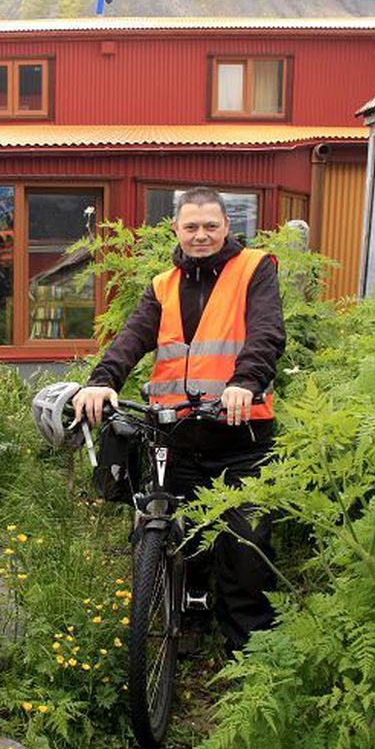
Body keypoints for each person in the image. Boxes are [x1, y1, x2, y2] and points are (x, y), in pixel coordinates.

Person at [72, 187, 286, 652]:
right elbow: (132, 336)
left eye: (211, 226)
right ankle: (184, 619)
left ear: (227, 227)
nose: (201, 235)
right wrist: (103, 379)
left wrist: (245, 382)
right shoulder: (163, 284)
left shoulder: (255, 269)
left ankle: (249, 657)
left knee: (244, 549)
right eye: (191, 227)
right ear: (177, 230)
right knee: (178, 537)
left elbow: (267, 331)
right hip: (178, 434)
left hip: (240, 434)